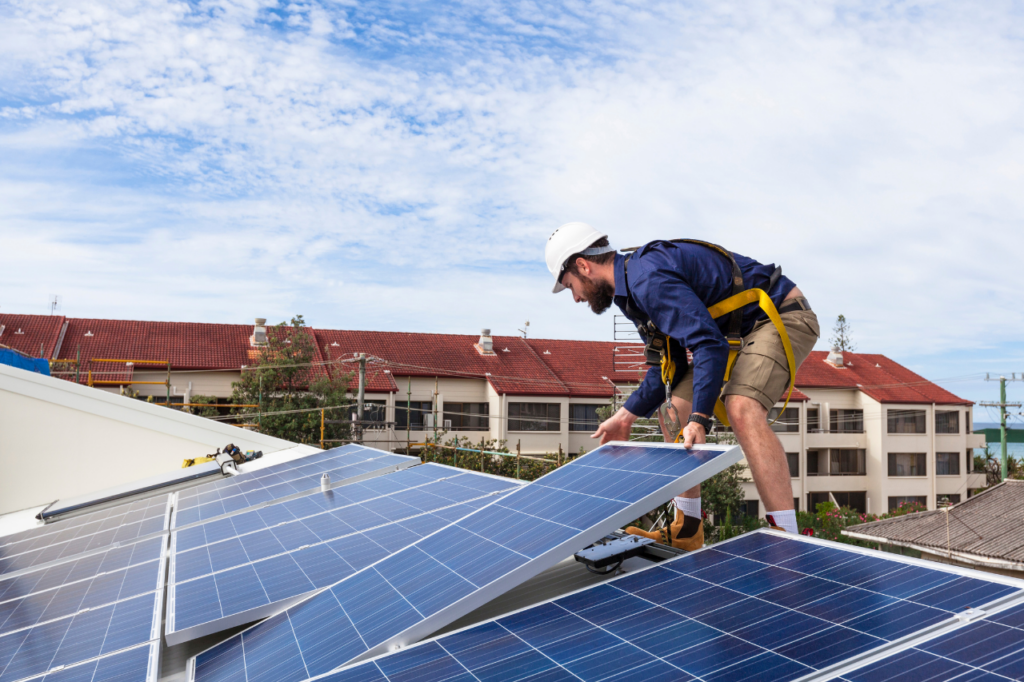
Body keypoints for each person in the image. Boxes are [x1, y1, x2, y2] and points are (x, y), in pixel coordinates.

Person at [545, 222, 819, 549]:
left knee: (741, 407)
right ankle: (687, 531)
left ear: (583, 265)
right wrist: (625, 416)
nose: (575, 297)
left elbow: (708, 345)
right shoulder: (630, 292)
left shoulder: (647, 278)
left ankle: (786, 539)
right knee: (673, 411)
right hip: (731, 334)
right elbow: (668, 367)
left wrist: (699, 419)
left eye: (571, 285)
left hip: (778, 314)